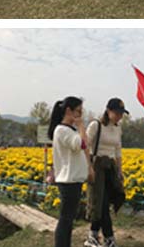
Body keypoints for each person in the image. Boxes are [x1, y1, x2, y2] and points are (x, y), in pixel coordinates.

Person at [49, 96, 92, 247]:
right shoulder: (62, 130)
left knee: (68, 219)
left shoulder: (68, 130)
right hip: (68, 181)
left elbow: (84, 144)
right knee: (66, 219)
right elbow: (82, 144)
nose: (80, 116)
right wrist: (81, 126)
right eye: (78, 112)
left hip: (73, 180)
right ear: (68, 111)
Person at [85, 98, 128, 247]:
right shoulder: (96, 125)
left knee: (107, 201)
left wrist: (120, 171)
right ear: (108, 110)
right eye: (116, 113)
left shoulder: (117, 128)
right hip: (97, 167)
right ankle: (109, 238)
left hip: (110, 167)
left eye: (121, 113)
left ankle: (93, 234)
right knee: (100, 203)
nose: (119, 116)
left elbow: (118, 150)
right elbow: (85, 146)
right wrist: (89, 167)